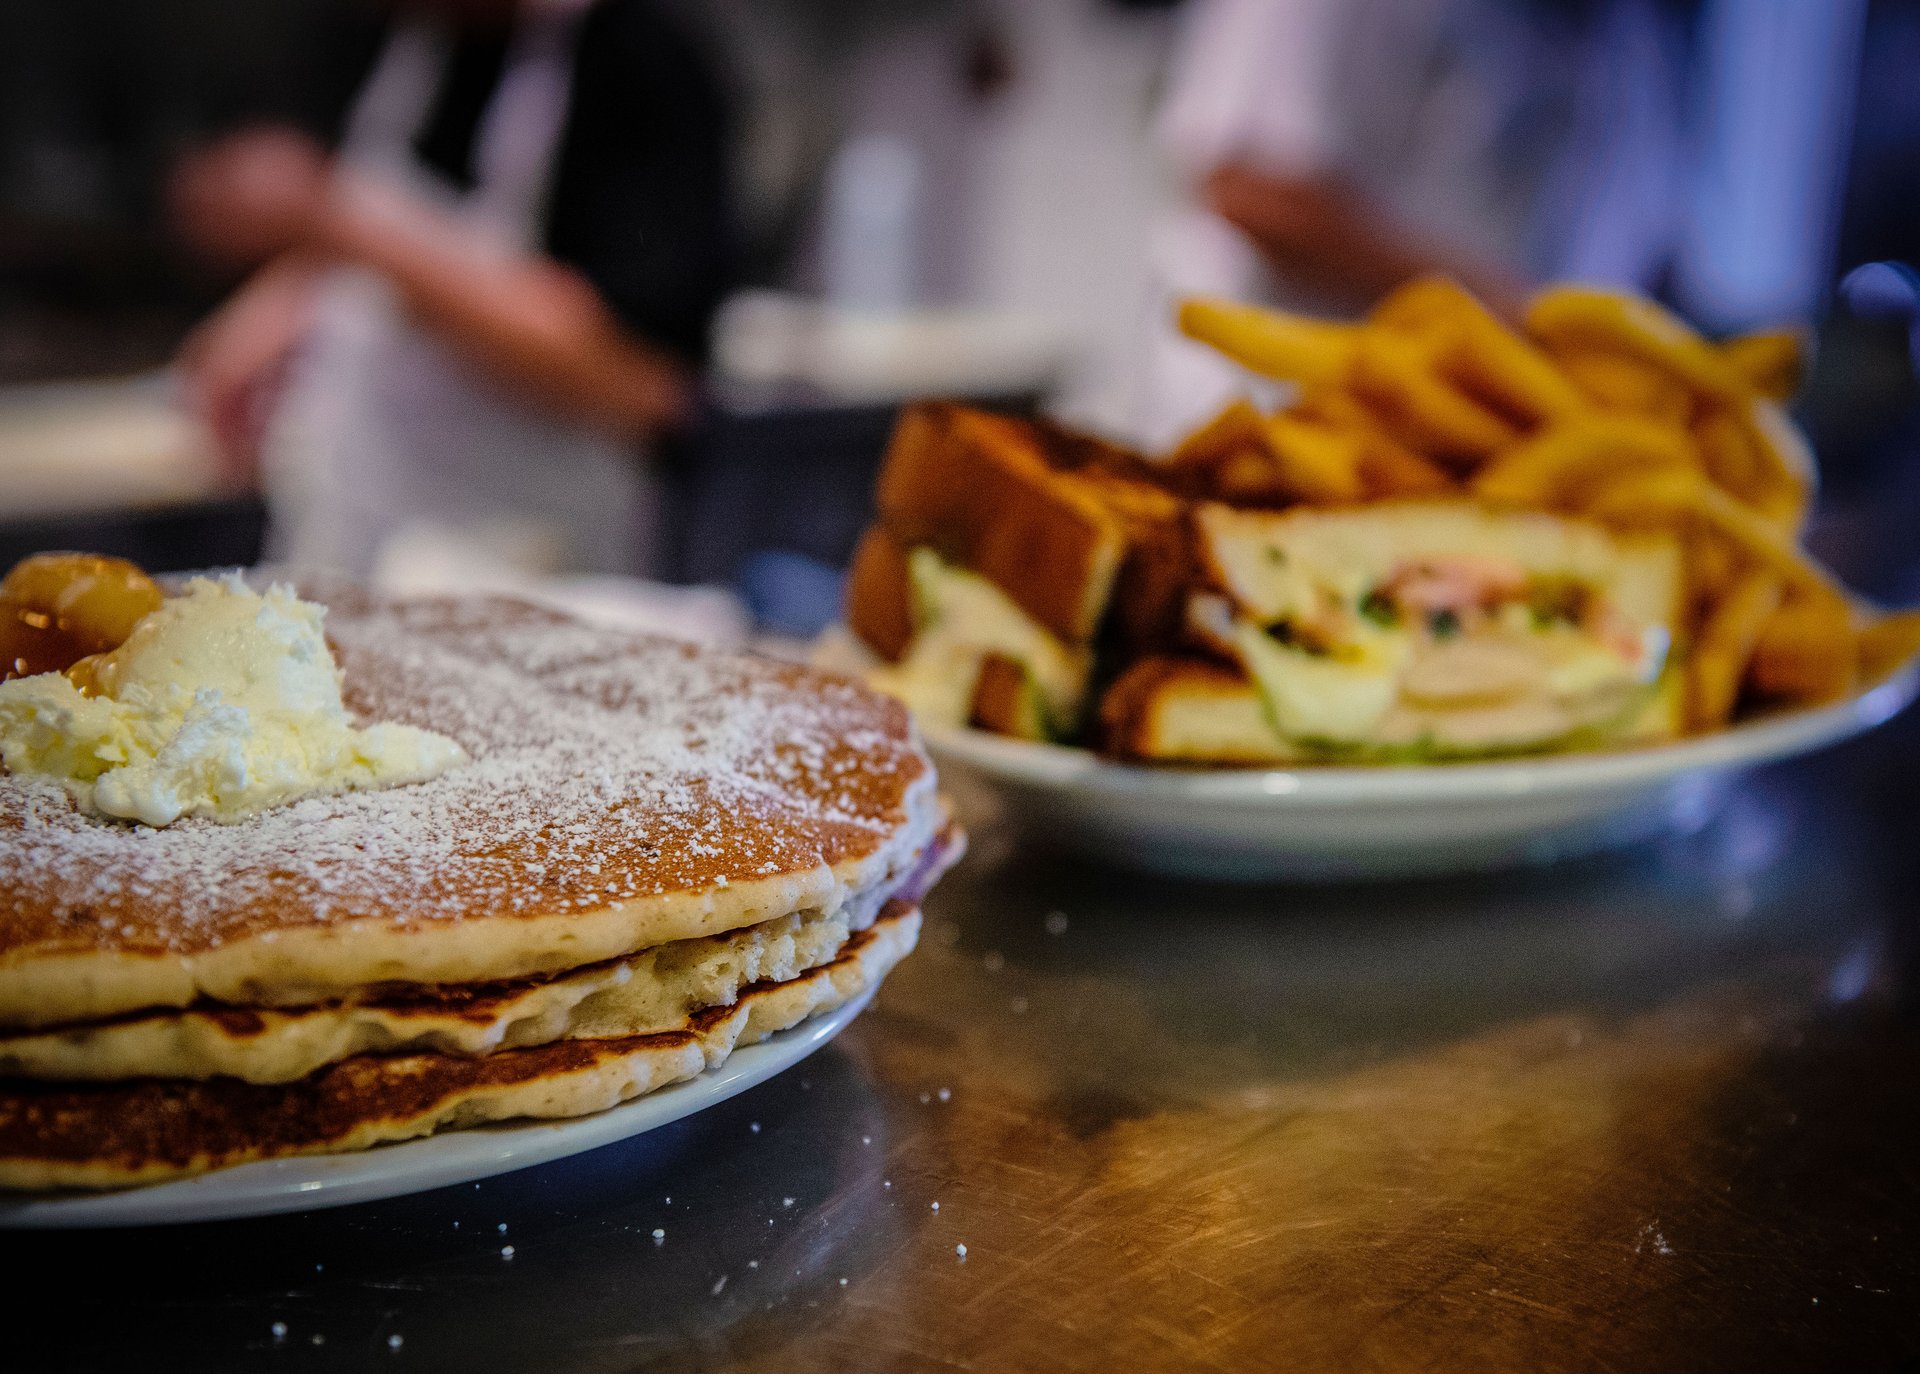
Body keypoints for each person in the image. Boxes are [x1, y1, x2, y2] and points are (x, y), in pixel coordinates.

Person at [1132, 0, 1866, 448]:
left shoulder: (1630, 35)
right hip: (1270, 435)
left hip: (1495, 466)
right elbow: (1242, 184)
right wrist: (1516, 314)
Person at [171, 0, 733, 577]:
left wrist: (334, 218)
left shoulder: (639, 61)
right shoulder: (391, 38)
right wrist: (284, 302)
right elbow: (365, 252)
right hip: (351, 543)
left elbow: (645, 389)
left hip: (539, 572)